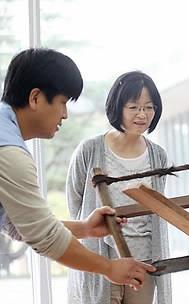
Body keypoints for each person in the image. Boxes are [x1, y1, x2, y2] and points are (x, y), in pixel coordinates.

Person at [0, 49, 155, 290]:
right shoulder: (9, 153)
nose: (65, 115)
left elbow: (15, 224)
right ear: (35, 98)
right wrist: (108, 267)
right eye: (62, 102)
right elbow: (45, 236)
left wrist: (83, 229)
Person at [66, 71, 172, 304]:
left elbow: (155, 210)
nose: (142, 114)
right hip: (104, 258)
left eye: (149, 107)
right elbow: (76, 203)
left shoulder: (158, 156)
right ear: (117, 107)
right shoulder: (90, 150)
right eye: (134, 107)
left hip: (145, 259)